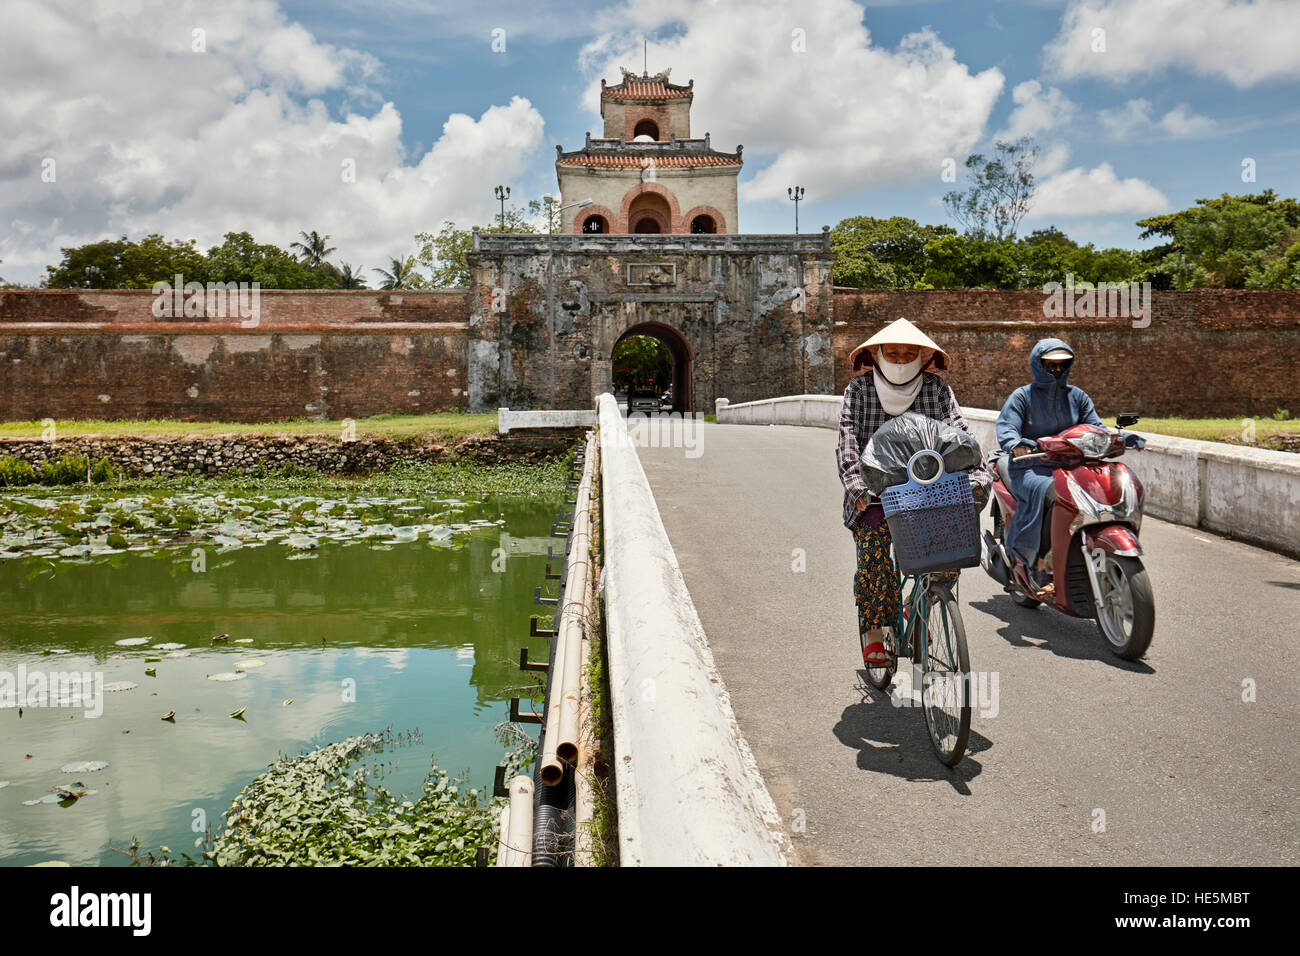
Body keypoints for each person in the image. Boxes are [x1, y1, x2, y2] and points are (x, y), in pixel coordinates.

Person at [836, 317, 985, 667]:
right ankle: (874, 631)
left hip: (929, 492)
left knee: (950, 555)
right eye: (893, 352)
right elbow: (847, 441)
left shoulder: (936, 390)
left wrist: (979, 474)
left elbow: (959, 433)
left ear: (923, 356)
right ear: (876, 354)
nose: (902, 360)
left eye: (909, 353)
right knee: (874, 557)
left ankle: (918, 605)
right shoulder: (858, 391)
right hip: (875, 496)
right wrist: (857, 485)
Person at [995, 337, 1104, 595]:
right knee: (1056, 494)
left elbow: (1095, 426)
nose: (1056, 371)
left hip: (1071, 466)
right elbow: (1007, 426)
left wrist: (1116, 438)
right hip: (1030, 467)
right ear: (1038, 364)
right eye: (1050, 365)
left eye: (1061, 365)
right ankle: (1041, 561)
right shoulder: (1022, 396)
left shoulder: (1077, 397)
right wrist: (1016, 443)